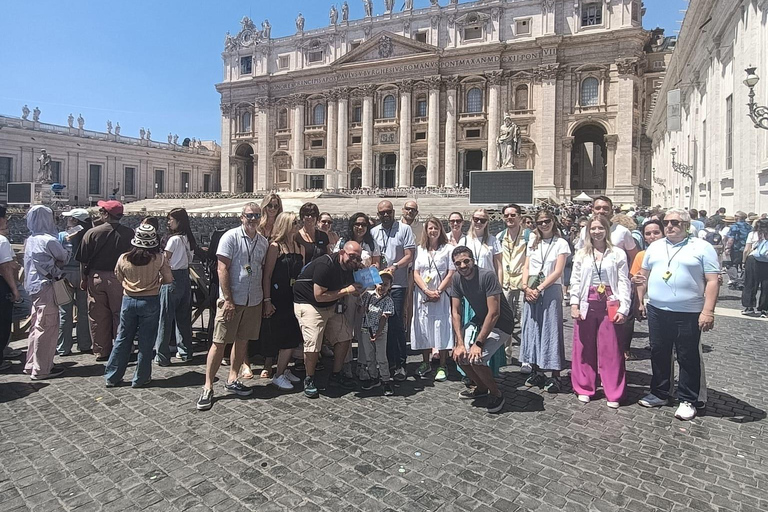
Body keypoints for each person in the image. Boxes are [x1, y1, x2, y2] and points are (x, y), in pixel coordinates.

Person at [635, 208, 720, 421]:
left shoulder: (702, 247)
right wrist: (639, 297)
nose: (670, 226)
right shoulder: (654, 247)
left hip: (689, 311)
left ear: (686, 225)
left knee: (687, 355)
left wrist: (708, 311)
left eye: (675, 222)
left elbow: (712, 280)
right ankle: (660, 392)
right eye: (666, 223)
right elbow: (643, 275)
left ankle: (688, 399)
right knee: (659, 352)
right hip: (657, 309)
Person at [196, 203, 268, 411]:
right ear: (241, 217)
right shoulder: (230, 237)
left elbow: (260, 270)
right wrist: (227, 299)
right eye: (249, 215)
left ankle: (232, 378)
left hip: (253, 298)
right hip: (232, 299)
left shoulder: (262, 242)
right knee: (219, 342)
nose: (253, 219)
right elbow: (222, 269)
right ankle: (208, 386)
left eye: (256, 215)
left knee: (242, 340)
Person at [569, 216, 631, 408]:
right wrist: (573, 303)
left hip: (609, 303)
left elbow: (623, 281)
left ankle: (613, 390)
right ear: (588, 231)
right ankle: (585, 387)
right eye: (593, 228)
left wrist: (624, 307)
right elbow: (575, 279)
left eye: (600, 228)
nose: (596, 232)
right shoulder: (581, 254)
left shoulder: (618, 253)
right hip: (587, 301)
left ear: (607, 230)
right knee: (584, 346)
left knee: (611, 348)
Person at [293, 241, 364, 398]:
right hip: (308, 303)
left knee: (345, 336)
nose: (354, 260)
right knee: (313, 342)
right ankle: (309, 379)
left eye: (358, 257)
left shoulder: (352, 268)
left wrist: (360, 285)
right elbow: (319, 295)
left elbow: (354, 288)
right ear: (341, 253)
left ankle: (336, 374)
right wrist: (346, 290)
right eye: (352, 256)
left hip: (330, 304)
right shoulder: (326, 265)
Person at [105, 224, 172, 387]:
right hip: (150, 300)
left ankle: (112, 376)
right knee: (146, 341)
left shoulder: (124, 258)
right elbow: (169, 279)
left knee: (123, 338)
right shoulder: (159, 259)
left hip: (128, 299)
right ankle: (141, 377)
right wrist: (157, 283)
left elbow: (118, 276)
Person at [450, 246, 515, 414]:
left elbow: (494, 313)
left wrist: (478, 343)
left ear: (473, 260)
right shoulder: (456, 279)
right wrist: (459, 343)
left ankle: (496, 393)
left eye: (466, 261)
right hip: (479, 320)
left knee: (476, 358)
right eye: (458, 263)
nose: (463, 266)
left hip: (502, 323)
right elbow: (456, 312)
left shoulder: (487, 276)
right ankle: (480, 388)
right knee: (459, 355)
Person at [75, 200, 134, 362]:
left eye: (102, 211)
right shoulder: (129, 233)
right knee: (120, 314)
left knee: (97, 315)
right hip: (120, 278)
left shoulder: (92, 233)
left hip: (96, 278)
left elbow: (83, 260)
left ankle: (101, 351)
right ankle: (122, 348)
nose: (100, 214)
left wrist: (83, 278)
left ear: (107, 214)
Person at [520, 210, 571, 393]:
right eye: (540, 222)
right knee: (531, 328)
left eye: (547, 221)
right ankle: (536, 370)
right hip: (531, 287)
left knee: (551, 329)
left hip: (549, 288)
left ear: (553, 221)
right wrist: (526, 287)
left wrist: (539, 289)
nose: (543, 224)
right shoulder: (533, 242)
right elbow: (526, 266)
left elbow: (558, 271)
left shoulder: (561, 243)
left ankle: (555, 375)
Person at [23, 205, 70, 380]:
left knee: (36, 325)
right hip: (47, 285)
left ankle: (31, 364)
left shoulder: (30, 239)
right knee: (47, 327)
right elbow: (64, 257)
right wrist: (67, 242)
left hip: (33, 286)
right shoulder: (49, 240)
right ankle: (42, 368)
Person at [370, 200, 415, 381]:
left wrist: (395, 266)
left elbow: (409, 255)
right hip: (379, 286)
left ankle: (401, 364)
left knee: (396, 324)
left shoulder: (405, 230)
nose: (386, 215)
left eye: (389, 212)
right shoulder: (373, 232)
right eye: (382, 213)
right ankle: (386, 362)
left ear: (394, 212)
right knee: (380, 323)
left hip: (397, 284)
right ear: (378, 214)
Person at [260, 212, 305, 390]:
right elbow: (267, 275)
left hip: (294, 296)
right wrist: (267, 299)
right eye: (294, 222)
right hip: (279, 297)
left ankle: (284, 369)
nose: (297, 224)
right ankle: (277, 375)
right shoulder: (274, 247)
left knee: (293, 336)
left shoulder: (298, 247)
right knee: (284, 337)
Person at [412, 217, 455, 382]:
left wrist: (437, 291)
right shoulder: (420, 249)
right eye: (430, 228)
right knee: (423, 328)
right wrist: (426, 290)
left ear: (441, 230)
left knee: (441, 328)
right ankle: (425, 362)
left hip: (441, 295)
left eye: (436, 228)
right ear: (426, 230)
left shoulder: (448, 249)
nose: (433, 231)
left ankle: (443, 365)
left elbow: (451, 273)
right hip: (423, 295)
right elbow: (416, 273)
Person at [154, 208, 196, 366]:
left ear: (179, 221)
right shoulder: (189, 239)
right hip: (185, 277)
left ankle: (162, 355)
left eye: (171, 219)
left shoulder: (173, 240)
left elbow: (165, 261)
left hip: (171, 278)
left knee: (165, 318)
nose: (168, 222)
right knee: (184, 318)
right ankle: (186, 351)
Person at [57, 209, 93, 356]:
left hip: (65, 274)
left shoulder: (63, 235)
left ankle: (63, 347)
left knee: (65, 312)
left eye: (70, 218)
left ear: (76, 220)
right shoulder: (89, 235)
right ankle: (84, 344)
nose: (67, 220)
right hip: (84, 273)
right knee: (84, 311)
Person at [496, 203, 527, 360]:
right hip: (506, 285)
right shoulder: (500, 237)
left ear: (520, 217)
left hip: (523, 286)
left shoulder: (529, 237)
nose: (509, 218)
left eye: (513, 215)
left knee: (525, 323)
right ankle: (506, 355)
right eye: (507, 215)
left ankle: (526, 358)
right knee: (505, 323)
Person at [359, 271, 396, 395]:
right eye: (380, 283)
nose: (382, 286)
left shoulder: (388, 301)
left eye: (386, 284)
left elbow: (384, 318)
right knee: (369, 356)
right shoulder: (367, 296)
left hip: (380, 333)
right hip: (366, 330)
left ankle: (385, 379)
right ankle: (374, 377)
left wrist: (378, 333)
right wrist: (362, 309)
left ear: (390, 286)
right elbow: (360, 310)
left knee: (381, 357)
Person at [0, 205, 21, 372]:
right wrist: (15, 290)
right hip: (2, 286)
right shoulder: (2, 241)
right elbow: (6, 267)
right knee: (3, 322)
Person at [459, 208, 503, 284]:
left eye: (482, 220)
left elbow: (498, 267)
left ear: (486, 223)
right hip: (469, 282)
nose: (479, 222)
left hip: (488, 282)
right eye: (476, 219)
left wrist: (499, 286)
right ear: (471, 220)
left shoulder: (493, 241)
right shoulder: (464, 241)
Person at [741, 218, 768, 316]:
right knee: (766, 285)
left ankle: (749, 307)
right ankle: (764, 309)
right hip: (766, 260)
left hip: (753, 259)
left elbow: (746, 250)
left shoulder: (753, 234)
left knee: (750, 283)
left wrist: (743, 261)